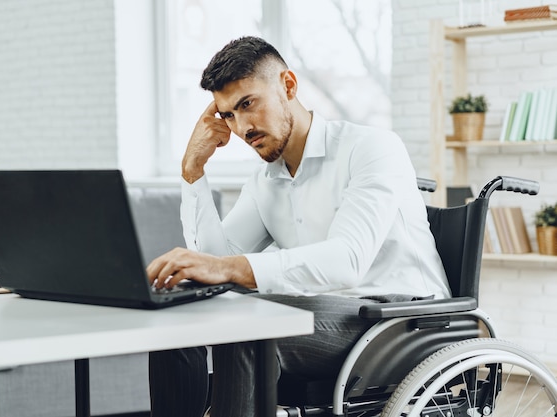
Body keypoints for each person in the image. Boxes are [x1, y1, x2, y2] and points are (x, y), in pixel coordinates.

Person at [146, 36, 451, 417]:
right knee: (179, 313)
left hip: (401, 321)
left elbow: (346, 261)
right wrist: (192, 171)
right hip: (325, 316)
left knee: (247, 328)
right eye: (228, 115)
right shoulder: (265, 180)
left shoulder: (372, 147)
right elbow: (217, 261)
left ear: (288, 86)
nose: (241, 127)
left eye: (247, 104)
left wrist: (226, 268)